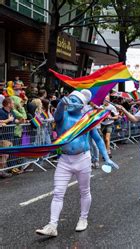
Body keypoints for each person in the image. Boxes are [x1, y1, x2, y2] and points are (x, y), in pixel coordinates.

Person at [35, 90, 117, 237]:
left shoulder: (87, 120)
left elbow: (98, 139)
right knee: (58, 192)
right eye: (69, 99)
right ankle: (52, 225)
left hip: (83, 159)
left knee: (84, 191)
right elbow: (59, 111)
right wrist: (61, 102)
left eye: (74, 100)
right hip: (64, 160)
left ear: (82, 105)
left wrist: (107, 158)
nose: (71, 102)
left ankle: (83, 219)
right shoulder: (62, 116)